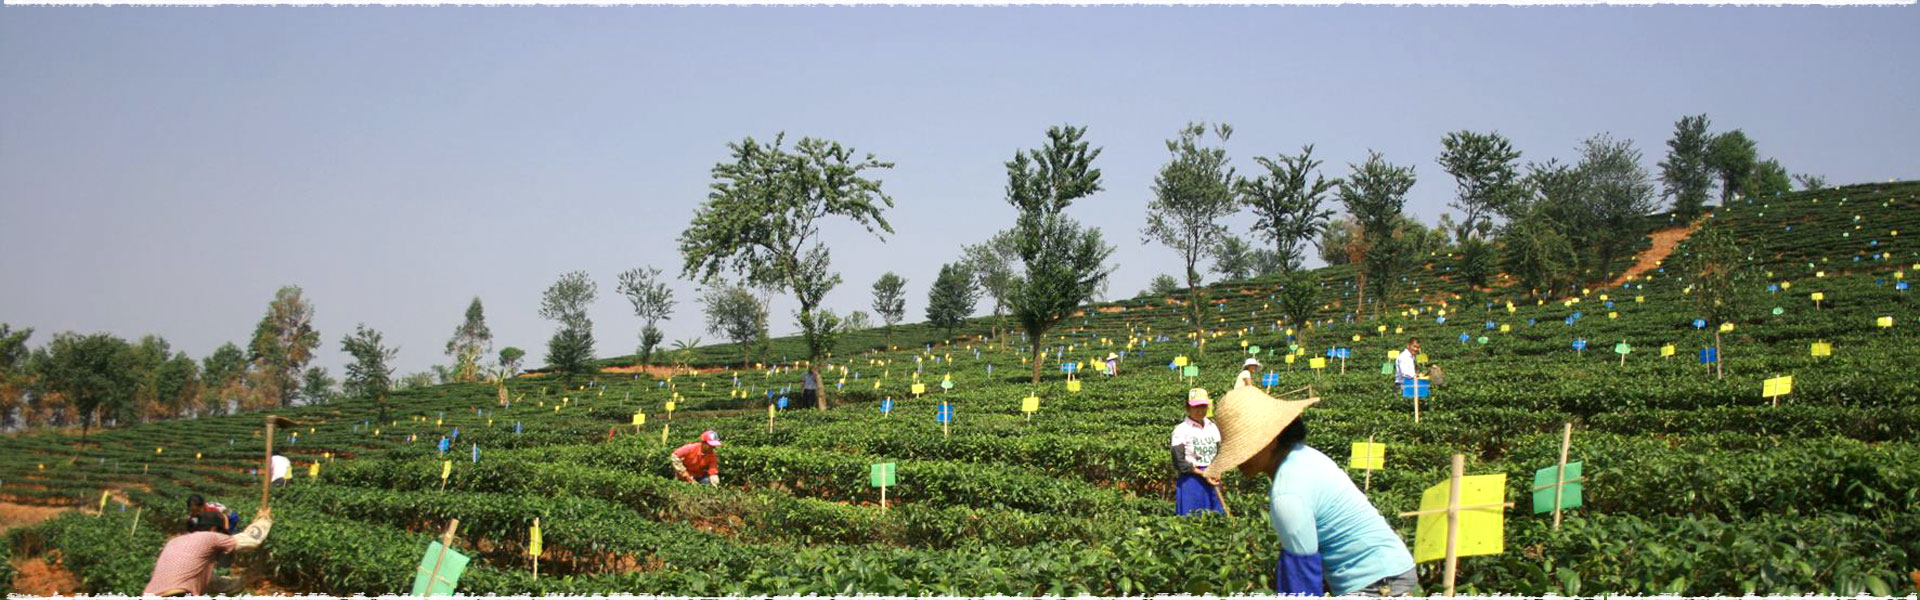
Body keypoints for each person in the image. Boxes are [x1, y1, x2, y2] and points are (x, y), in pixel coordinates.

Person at [1206, 387, 1418, 597]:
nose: (1239, 460)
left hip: (1377, 583)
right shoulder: (1304, 456)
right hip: (1392, 571)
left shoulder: (1287, 492)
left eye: (1244, 447)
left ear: (1271, 440)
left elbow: (1301, 577)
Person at [144, 506, 274, 596]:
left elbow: (216, 585)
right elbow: (251, 539)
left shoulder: (174, 542)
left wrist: (244, 580)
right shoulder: (210, 537)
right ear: (213, 529)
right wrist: (264, 519)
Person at [1169, 388, 1223, 515]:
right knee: (1192, 520)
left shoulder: (1212, 426)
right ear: (1188, 408)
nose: (1200, 410)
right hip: (1192, 480)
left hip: (1212, 477)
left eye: (1203, 406)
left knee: (1215, 520)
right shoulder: (1181, 430)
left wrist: (1216, 470)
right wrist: (1203, 474)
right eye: (1196, 407)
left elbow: (1218, 452)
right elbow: (1179, 462)